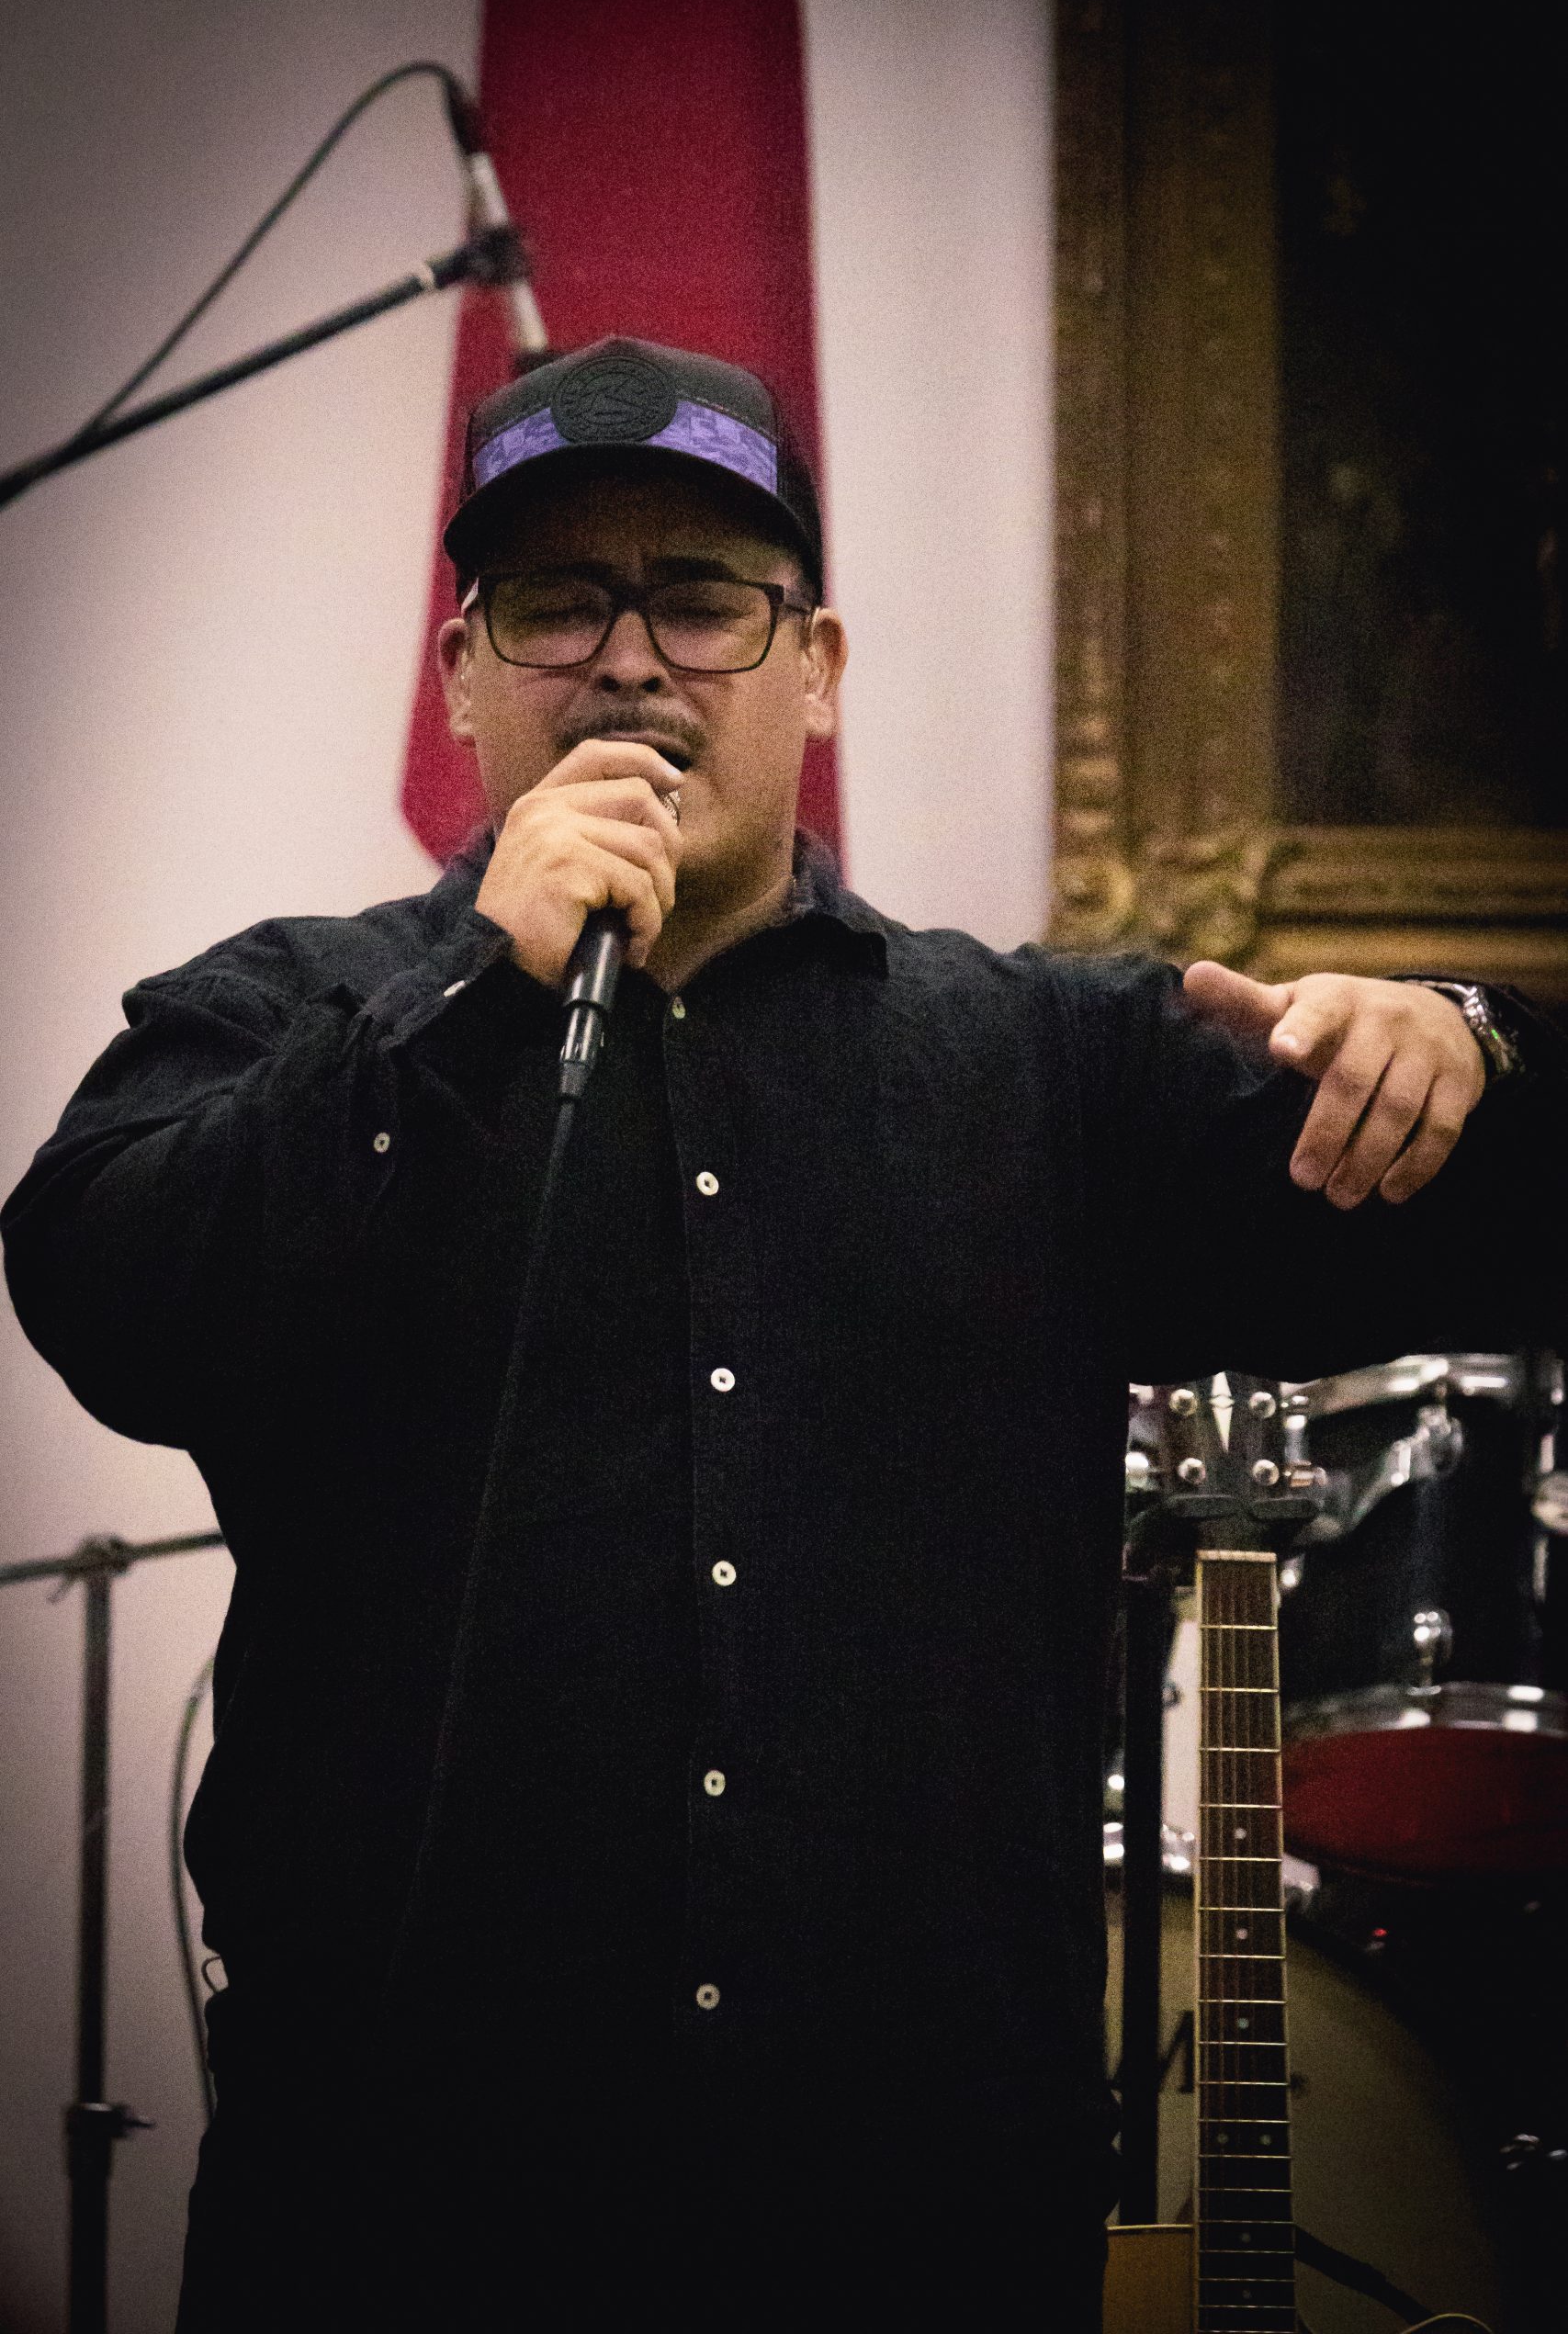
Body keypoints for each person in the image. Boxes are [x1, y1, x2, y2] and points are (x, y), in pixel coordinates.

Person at [4, 336, 1563, 2333]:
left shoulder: (1042, 1065)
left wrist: (1469, 1040)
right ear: (463, 672)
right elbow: (109, 1297)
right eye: (558, 603)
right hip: (399, 2211)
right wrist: (469, 995)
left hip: (912, 2224)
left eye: (702, 600)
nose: (630, 663)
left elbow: (1500, 1210)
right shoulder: (288, 1019)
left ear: (814, 666)